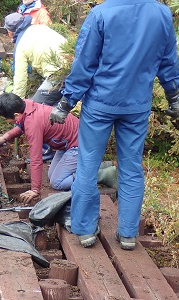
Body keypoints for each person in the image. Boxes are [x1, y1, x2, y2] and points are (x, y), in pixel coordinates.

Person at [49, 0, 179, 250]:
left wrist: (67, 101)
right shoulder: (162, 13)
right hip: (136, 105)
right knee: (131, 167)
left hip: (100, 103)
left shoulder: (101, 14)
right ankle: (128, 234)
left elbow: (84, 62)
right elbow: (168, 60)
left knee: (88, 164)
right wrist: (173, 95)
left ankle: (86, 231)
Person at [0, 93, 79, 205]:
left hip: (79, 145)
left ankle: (97, 174)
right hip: (66, 144)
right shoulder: (27, 105)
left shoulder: (33, 124)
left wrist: (35, 190)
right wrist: (5, 137)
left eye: (6, 119)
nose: (7, 121)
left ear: (16, 115)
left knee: (57, 182)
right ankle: (85, 166)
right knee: (51, 175)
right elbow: (21, 126)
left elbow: (36, 159)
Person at [3, 12, 66, 106]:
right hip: (73, 65)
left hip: (57, 74)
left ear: (10, 32)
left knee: (34, 108)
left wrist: (16, 106)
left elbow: (21, 80)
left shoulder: (21, 45)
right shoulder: (40, 27)